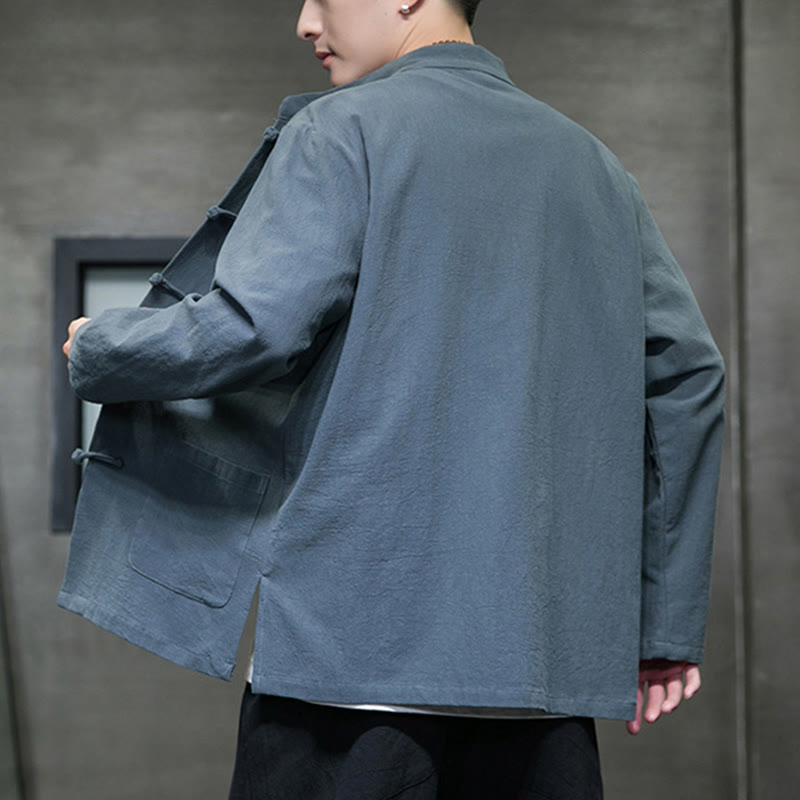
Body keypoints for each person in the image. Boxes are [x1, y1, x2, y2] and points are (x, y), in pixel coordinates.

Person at [60, 0, 725, 797]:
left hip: (350, 675)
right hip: (540, 691)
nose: (305, 22)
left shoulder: (343, 131)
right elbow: (689, 374)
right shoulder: (597, 170)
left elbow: (253, 328)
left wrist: (101, 346)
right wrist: (663, 623)